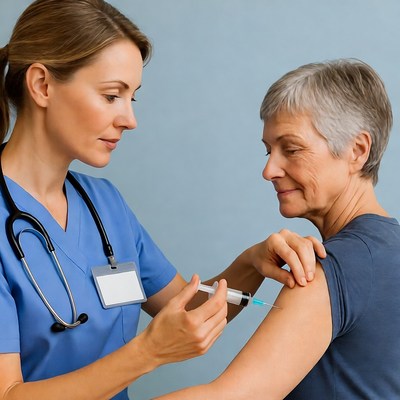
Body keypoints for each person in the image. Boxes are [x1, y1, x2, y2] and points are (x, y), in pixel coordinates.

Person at [0, 1, 325, 399]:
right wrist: (148, 352)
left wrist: (252, 262)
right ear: (42, 85)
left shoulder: (104, 205)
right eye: (111, 95)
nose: (129, 119)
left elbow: (182, 311)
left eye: (131, 98)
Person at [154, 58, 400, 400]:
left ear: (357, 150)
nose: (269, 170)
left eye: (291, 149)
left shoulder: (330, 267)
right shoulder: (390, 249)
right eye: (269, 150)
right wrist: (249, 263)